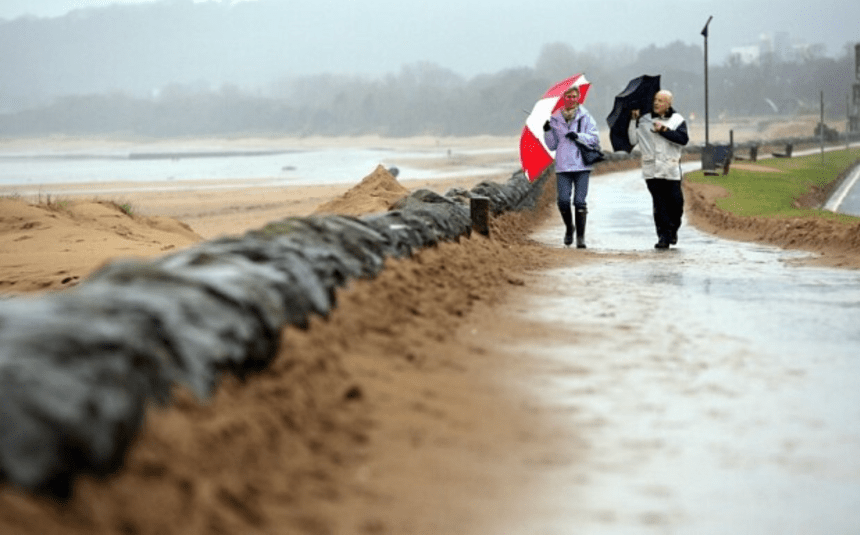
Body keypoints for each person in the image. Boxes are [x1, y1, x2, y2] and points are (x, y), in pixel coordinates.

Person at [629, 89, 690, 249]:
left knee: (677, 204)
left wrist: (664, 131)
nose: (656, 103)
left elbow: (683, 140)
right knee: (660, 204)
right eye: (655, 99)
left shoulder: (677, 120)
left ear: (668, 104)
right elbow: (632, 139)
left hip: (671, 169)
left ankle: (673, 229)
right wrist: (632, 121)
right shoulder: (643, 120)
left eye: (661, 100)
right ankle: (663, 237)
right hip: (651, 170)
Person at [542, 86, 601, 248]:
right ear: (563, 98)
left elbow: (595, 138)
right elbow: (552, 145)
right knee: (562, 201)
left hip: (582, 165)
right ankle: (569, 228)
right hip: (563, 166)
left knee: (580, 202)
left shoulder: (585, 116)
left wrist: (578, 135)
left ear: (578, 98)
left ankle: (580, 237)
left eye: (574, 96)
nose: (571, 99)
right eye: (568, 97)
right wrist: (547, 131)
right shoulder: (554, 119)